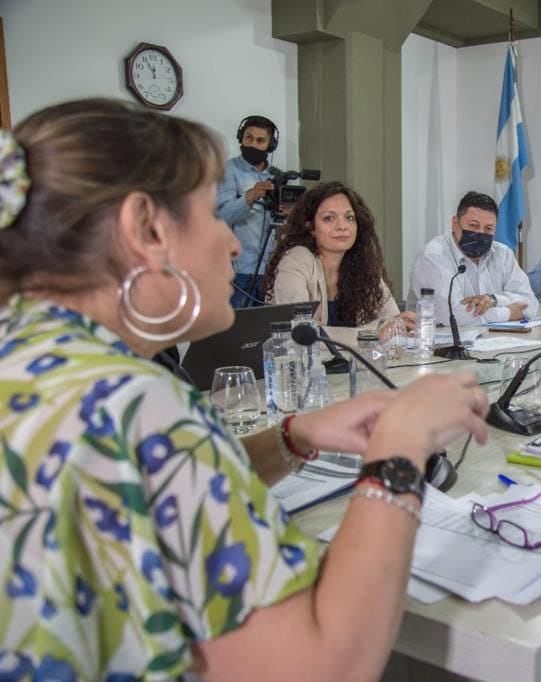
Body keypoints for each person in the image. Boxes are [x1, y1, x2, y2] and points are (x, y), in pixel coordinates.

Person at [0, 98, 489, 679]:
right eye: (210, 212)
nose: (233, 244)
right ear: (145, 228)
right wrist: (402, 447)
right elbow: (323, 667)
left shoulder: (34, 358)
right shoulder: (137, 402)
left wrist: (291, 435)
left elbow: (141, 493)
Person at [263, 181, 415, 346]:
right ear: (311, 227)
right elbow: (301, 332)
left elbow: (392, 319)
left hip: (352, 366)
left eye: (349, 218)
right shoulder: (296, 259)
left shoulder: (361, 264)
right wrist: (373, 333)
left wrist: (400, 325)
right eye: (329, 218)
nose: (342, 226)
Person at [410, 191, 537, 326]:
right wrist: (509, 313)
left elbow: (531, 303)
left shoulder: (503, 254)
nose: (480, 233)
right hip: (438, 343)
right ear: (454, 223)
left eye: (488, 229)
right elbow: (453, 316)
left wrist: (494, 299)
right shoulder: (434, 255)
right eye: (473, 226)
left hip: (493, 341)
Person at [217, 115, 277, 308]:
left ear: (271, 145)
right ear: (240, 139)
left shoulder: (276, 176)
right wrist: (251, 196)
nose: (253, 144)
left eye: (260, 141)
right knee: (239, 333)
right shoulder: (228, 170)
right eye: (248, 138)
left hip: (271, 272)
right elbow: (223, 215)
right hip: (239, 271)